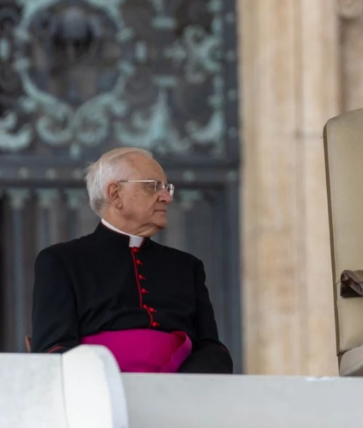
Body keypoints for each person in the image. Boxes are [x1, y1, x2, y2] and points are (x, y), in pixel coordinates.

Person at [30, 147, 232, 373]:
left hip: (179, 395)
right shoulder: (61, 261)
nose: (167, 197)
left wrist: (182, 384)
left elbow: (210, 347)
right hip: (99, 393)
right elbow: (53, 349)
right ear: (115, 194)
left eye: (167, 188)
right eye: (153, 186)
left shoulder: (187, 267)